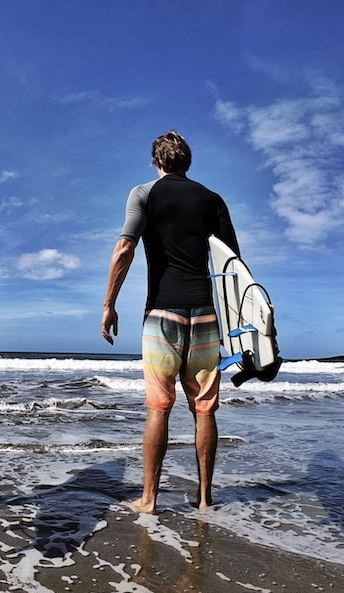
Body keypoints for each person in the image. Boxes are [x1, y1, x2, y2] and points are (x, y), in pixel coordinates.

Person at [101, 131, 239, 513]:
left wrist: (109, 304)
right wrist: (236, 323)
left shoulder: (143, 193)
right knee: (205, 407)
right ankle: (206, 499)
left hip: (162, 315)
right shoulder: (212, 200)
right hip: (206, 315)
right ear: (187, 162)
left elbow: (125, 247)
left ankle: (149, 499)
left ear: (155, 161)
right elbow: (232, 265)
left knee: (159, 407)